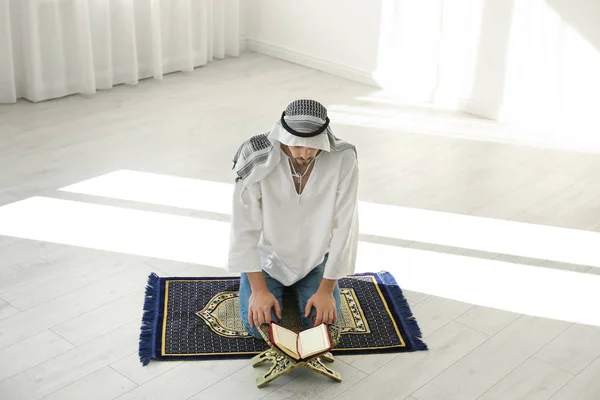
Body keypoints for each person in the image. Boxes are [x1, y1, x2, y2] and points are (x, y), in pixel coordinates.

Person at [227, 99, 359, 340]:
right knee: (258, 329)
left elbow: (344, 227)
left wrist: (326, 290)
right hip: (267, 259)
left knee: (323, 329)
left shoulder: (343, 158)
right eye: (297, 145)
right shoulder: (256, 157)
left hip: (315, 259)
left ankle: (303, 288)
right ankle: (256, 281)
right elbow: (243, 228)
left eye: (313, 146)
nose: (305, 154)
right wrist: (258, 291)